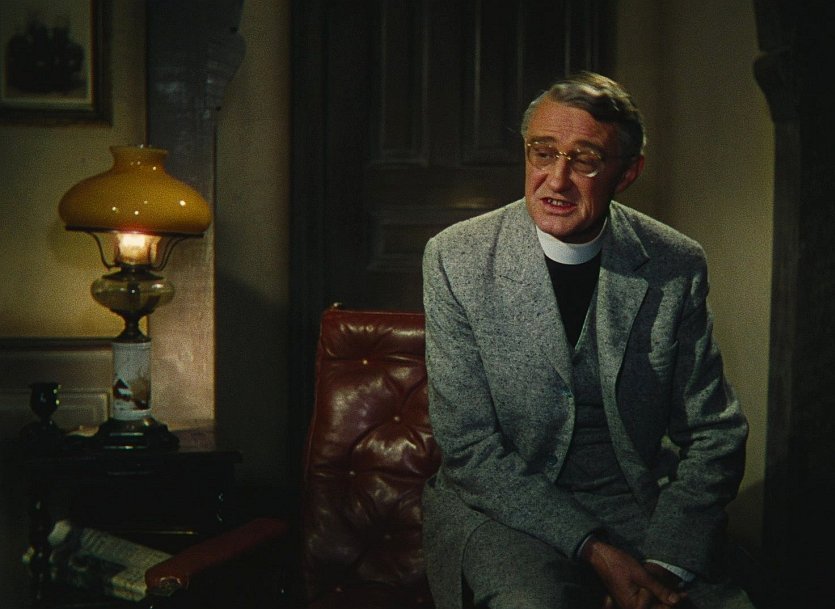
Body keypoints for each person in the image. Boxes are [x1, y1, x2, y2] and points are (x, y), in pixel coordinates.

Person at [421, 72, 756, 609]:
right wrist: (597, 551)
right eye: (543, 153)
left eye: (585, 160)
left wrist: (665, 560)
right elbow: (469, 449)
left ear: (627, 173)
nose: (556, 181)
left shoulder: (674, 262)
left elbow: (715, 432)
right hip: (503, 509)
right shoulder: (455, 257)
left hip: (635, 506)